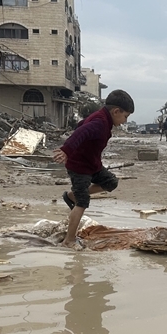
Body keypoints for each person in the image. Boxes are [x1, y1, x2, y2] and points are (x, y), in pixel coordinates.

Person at [54, 90, 134, 248]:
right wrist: (66, 150)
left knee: (111, 182)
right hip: (80, 166)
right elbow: (80, 132)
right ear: (116, 111)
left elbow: (81, 124)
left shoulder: (102, 118)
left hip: (92, 164)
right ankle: (69, 240)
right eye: (125, 116)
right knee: (83, 202)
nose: (125, 121)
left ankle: (71, 196)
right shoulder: (100, 122)